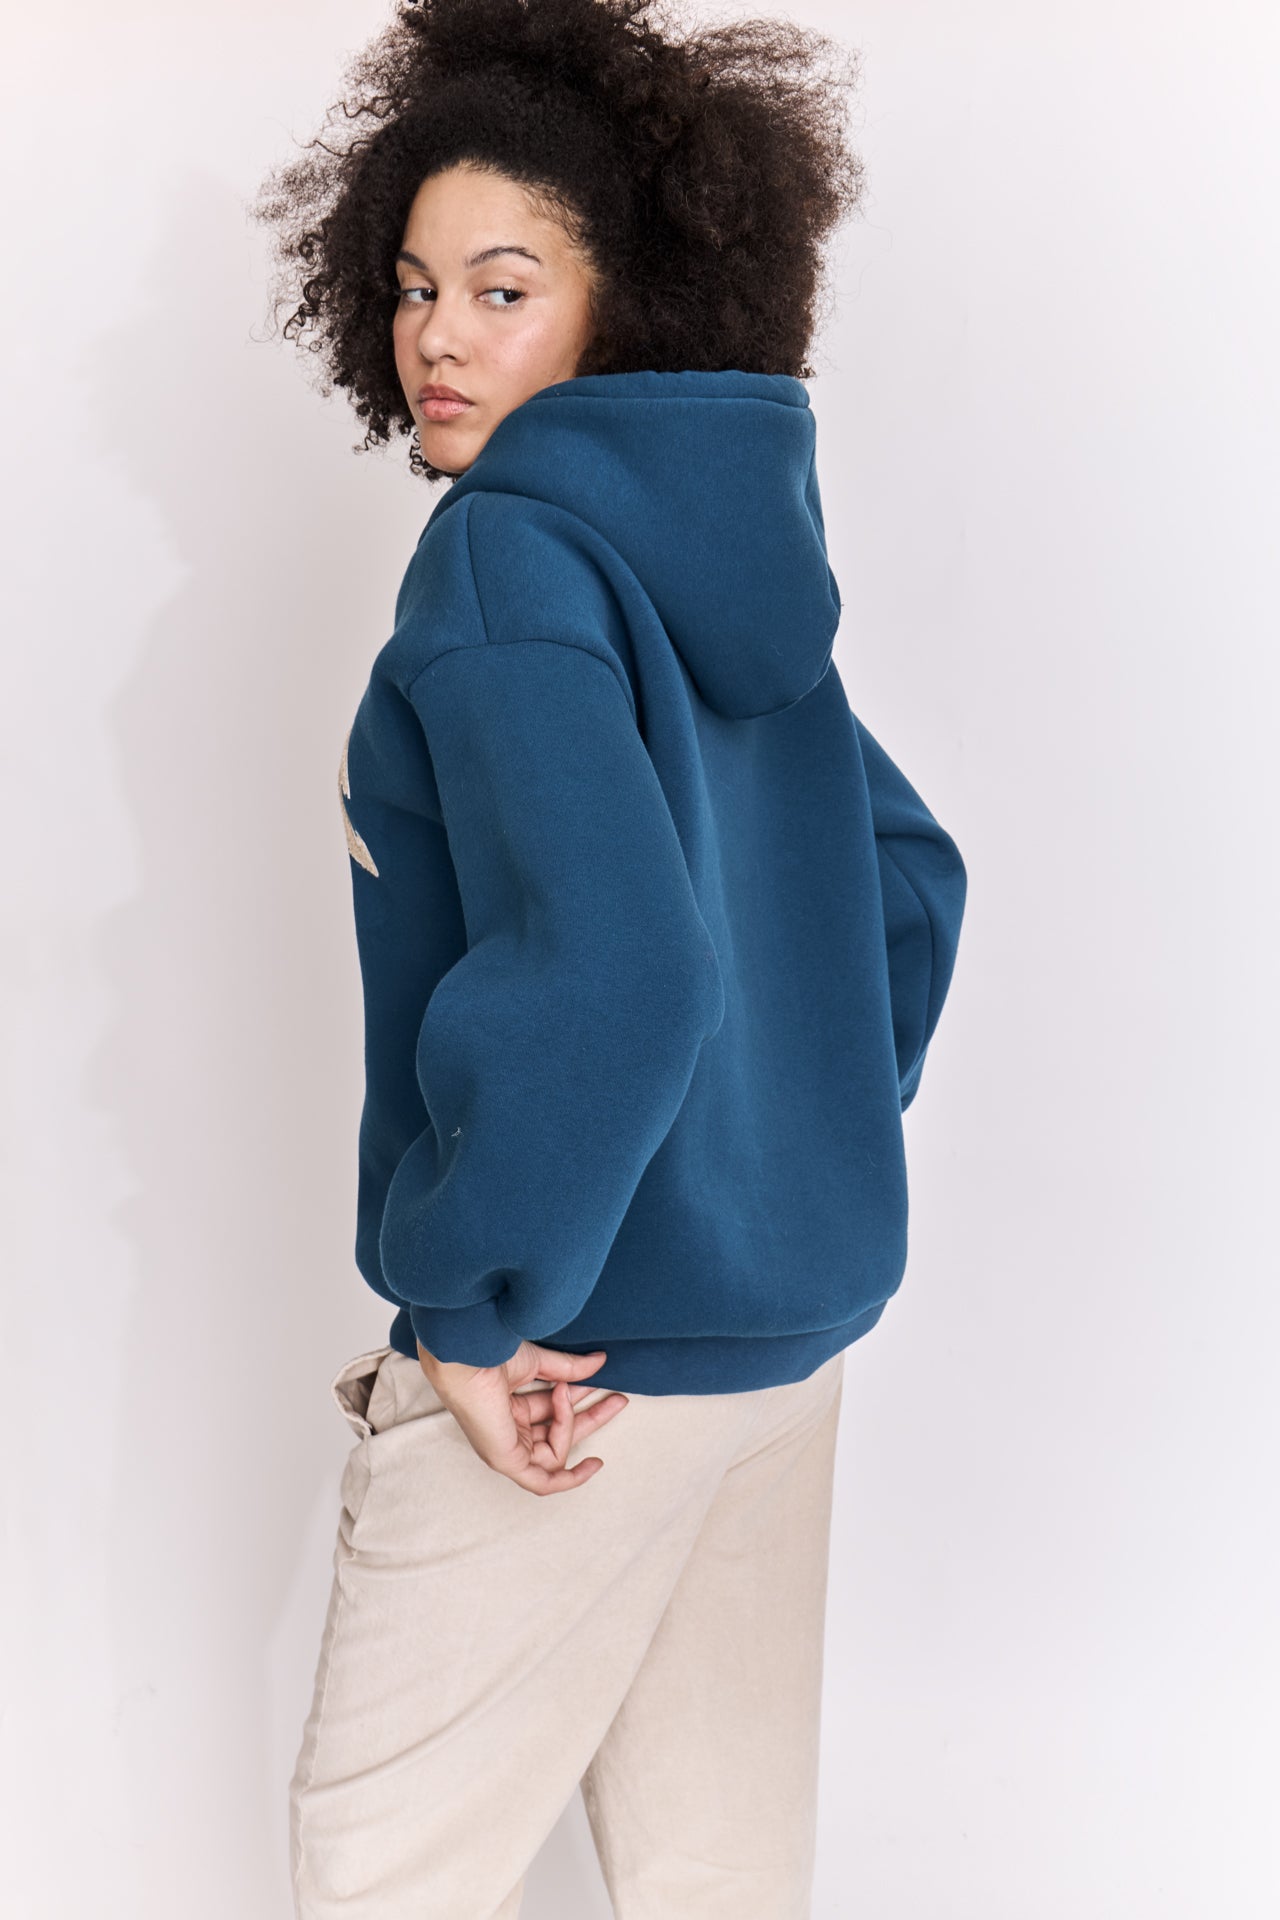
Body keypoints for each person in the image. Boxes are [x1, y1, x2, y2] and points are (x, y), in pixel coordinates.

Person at [252, 0, 967, 1912]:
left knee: (381, 1873)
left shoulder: (505, 558)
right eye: (415, 289)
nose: (437, 338)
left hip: (570, 1377)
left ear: (622, 308)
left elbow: (625, 968)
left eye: (505, 289)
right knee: (718, 1882)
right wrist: (773, 1143)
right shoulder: (738, 569)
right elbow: (906, 882)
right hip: (777, 1361)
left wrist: (484, 1302)